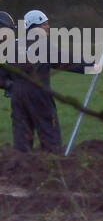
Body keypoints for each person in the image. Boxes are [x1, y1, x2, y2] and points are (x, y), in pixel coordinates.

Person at [9, 10, 91, 154]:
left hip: (17, 97)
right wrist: (92, 66)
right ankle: (52, 166)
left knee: (22, 139)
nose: (48, 27)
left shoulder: (13, 46)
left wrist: (10, 86)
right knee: (49, 134)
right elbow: (67, 61)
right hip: (38, 95)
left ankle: (21, 170)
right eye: (44, 24)